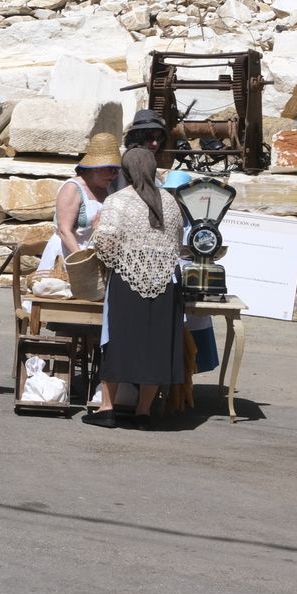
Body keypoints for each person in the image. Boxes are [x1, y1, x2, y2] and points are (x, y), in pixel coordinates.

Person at [84, 146, 186, 429]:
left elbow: (104, 242)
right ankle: (144, 411)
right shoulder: (170, 201)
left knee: (119, 343)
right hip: (165, 281)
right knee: (155, 346)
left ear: (126, 172)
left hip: (128, 279)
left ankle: (107, 409)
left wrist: (120, 259)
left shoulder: (118, 200)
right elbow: (178, 242)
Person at [36, 132, 121, 271]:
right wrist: (81, 261)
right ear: (97, 168)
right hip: (68, 257)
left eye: (117, 170)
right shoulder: (73, 188)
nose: (115, 174)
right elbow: (64, 231)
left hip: (93, 257)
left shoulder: (109, 188)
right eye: (111, 169)